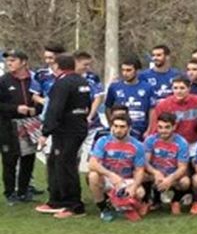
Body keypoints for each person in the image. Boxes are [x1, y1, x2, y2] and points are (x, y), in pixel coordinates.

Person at [36, 54, 93, 218]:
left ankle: (74, 206)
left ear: (57, 66)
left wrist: (45, 132)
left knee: (66, 165)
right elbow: (87, 106)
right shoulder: (82, 81)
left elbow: (55, 109)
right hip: (78, 127)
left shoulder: (61, 83)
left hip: (67, 130)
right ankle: (57, 200)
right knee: (55, 162)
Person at [87, 114, 149, 222]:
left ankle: (123, 205)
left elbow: (139, 170)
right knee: (93, 176)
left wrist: (134, 186)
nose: (118, 130)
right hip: (108, 178)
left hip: (126, 180)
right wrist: (110, 175)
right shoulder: (103, 141)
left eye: (122, 127)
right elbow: (92, 163)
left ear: (129, 128)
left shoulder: (137, 145)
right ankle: (104, 209)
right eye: (115, 126)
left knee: (140, 192)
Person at [1, 49, 39, 204]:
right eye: (7, 60)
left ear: (23, 62)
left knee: (28, 158)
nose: (9, 63)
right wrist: (15, 108)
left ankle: (23, 191)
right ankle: (10, 193)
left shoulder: (34, 80)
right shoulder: (3, 81)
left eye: (13, 60)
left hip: (30, 123)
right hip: (8, 124)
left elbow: (43, 100)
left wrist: (36, 110)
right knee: (10, 159)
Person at [143, 114, 193, 215]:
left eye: (167, 127)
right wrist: (155, 172)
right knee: (141, 176)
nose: (163, 131)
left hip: (173, 175)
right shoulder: (150, 140)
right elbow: (145, 162)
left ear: (174, 127)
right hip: (156, 174)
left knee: (185, 182)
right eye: (160, 127)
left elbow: (182, 167)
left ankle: (176, 201)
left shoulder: (182, 143)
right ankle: (147, 201)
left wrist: (170, 178)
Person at [149, 77, 197, 146]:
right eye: (175, 88)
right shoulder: (163, 105)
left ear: (189, 88)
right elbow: (155, 127)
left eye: (182, 88)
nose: (178, 91)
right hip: (172, 143)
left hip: (194, 142)